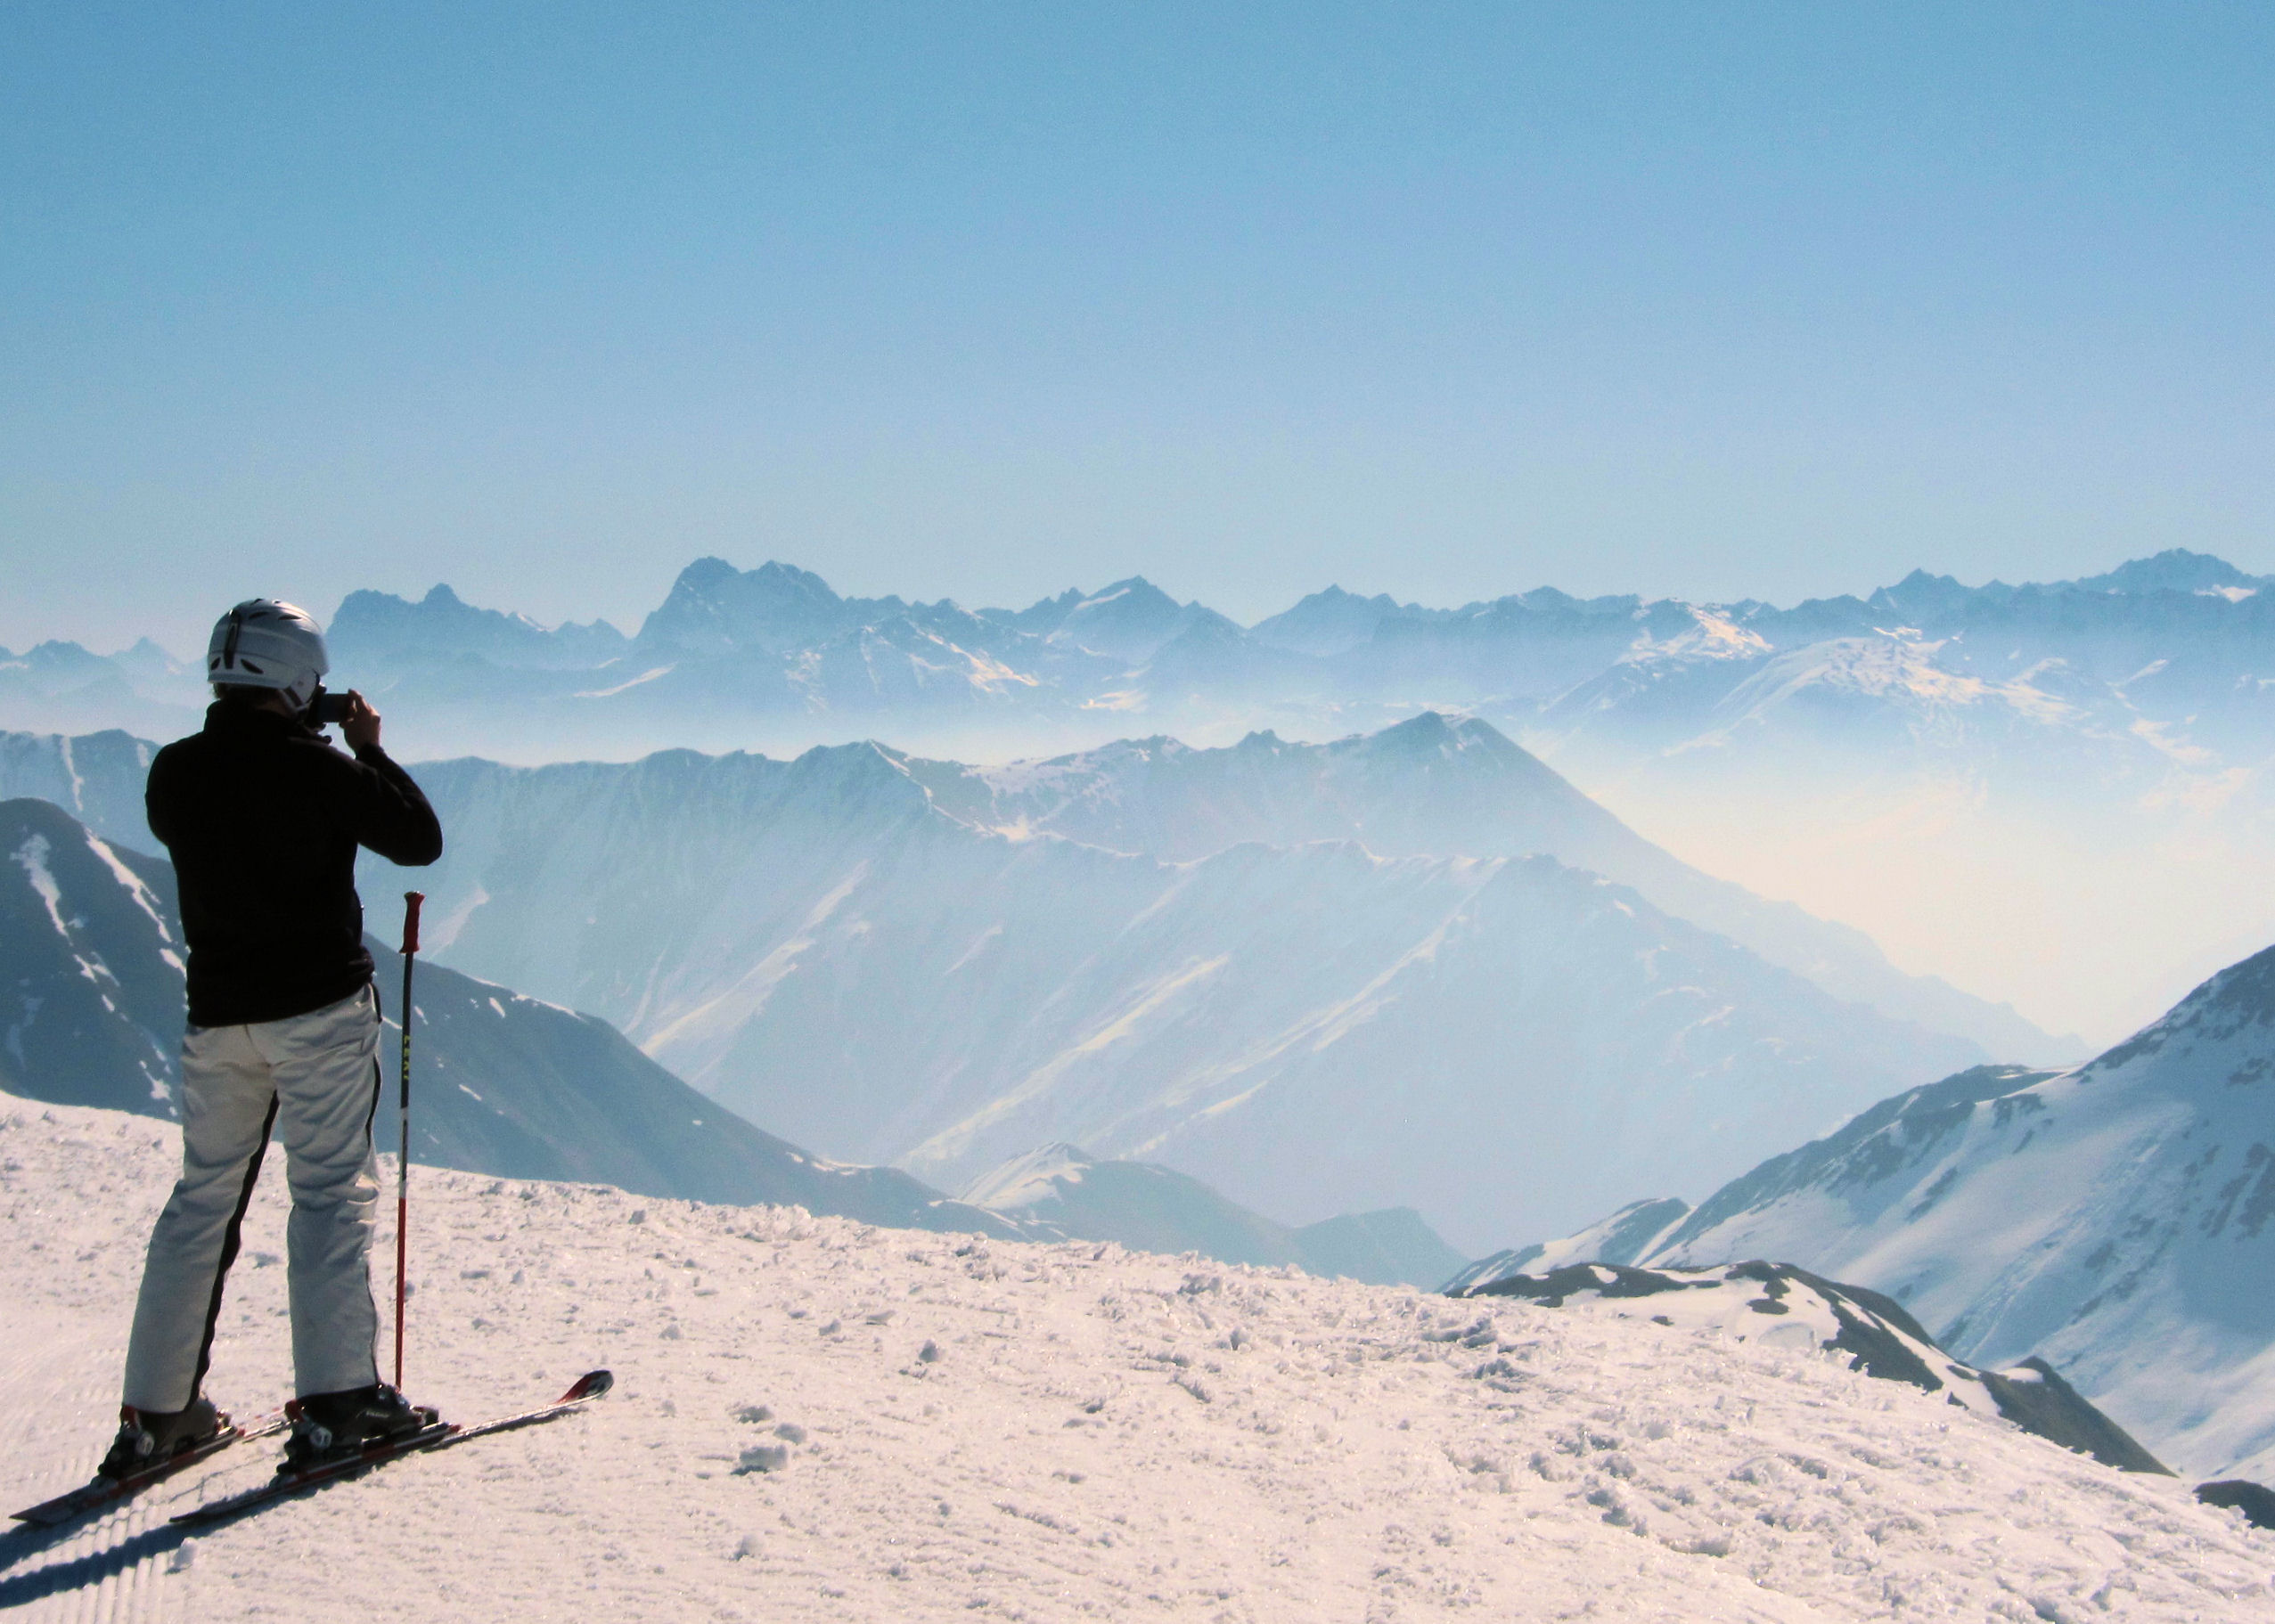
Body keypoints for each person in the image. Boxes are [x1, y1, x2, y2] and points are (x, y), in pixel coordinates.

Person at [100, 599, 446, 1480]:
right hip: (320, 1014)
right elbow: (418, 840)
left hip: (218, 1020)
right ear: (294, 679)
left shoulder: (174, 773)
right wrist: (367, 748)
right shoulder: (316, 768)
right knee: (327, 1194)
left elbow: (218, 806)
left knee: (201, 1202)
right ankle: (339, 1403)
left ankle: (156, 1414)